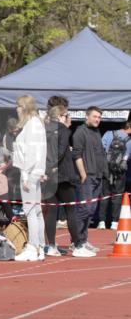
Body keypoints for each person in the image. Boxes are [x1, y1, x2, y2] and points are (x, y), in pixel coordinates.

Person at [43, 103, 93, 257]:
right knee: (71, 210)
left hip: (49, 177)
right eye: (67, 115)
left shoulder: (45, 130)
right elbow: (59, 150)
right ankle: (78, 246)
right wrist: (51, 166)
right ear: (60, 116)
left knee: (51, 211)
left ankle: (51, 245)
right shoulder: (62, 130)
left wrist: (45, 169)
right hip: (63, 176)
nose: (69, 118)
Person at [12, 94, 47, 262]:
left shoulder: (32, 125)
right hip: (35, 172)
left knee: (30, 211)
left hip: (29, 173)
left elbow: (32, 153)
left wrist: (27, 175)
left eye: (18, 107)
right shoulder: (36, 123)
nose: (17, 110)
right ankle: (39, 246)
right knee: (37, 211)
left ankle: (33, 247)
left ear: (23, 108)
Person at [71, 106, 107, 253]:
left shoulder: (96, 132)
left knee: (90, 210)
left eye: (99, 117)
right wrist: (83, 174)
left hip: (97, 176)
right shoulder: (80, 132)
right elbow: (76, 155)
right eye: (95, 116)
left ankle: (83, 240)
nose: (97, 119)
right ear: (87, 116)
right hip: (87, 177)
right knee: (84, 209)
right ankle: (76, 241)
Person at [96, 121, 131, 230]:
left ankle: (101, 221)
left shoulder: (108, 133)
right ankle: (114, 222)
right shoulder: (129, 140)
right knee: (118, 195)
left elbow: (100, 149)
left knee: (104, 195)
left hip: (106, 169)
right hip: (120, 171)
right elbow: (127, 156)